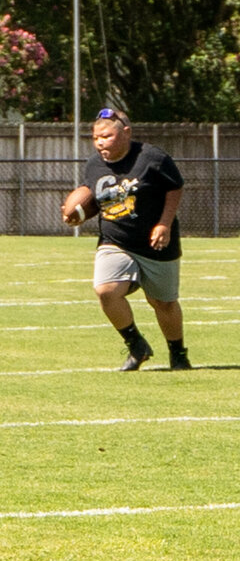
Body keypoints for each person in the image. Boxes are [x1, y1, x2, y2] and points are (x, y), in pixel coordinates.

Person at [62, 107, 190, 371]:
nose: (100, 142)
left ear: (126, 133)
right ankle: (136, 345)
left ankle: (177, 353)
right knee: (106, 291)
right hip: (115, 239)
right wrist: (78, 212)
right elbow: (96, 198)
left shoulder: (152, 157)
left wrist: (164, 224)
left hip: (156, 243)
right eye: (96, 137)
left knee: (163, 303)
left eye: (106, 136)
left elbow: (175, 187)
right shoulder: (94, 164)